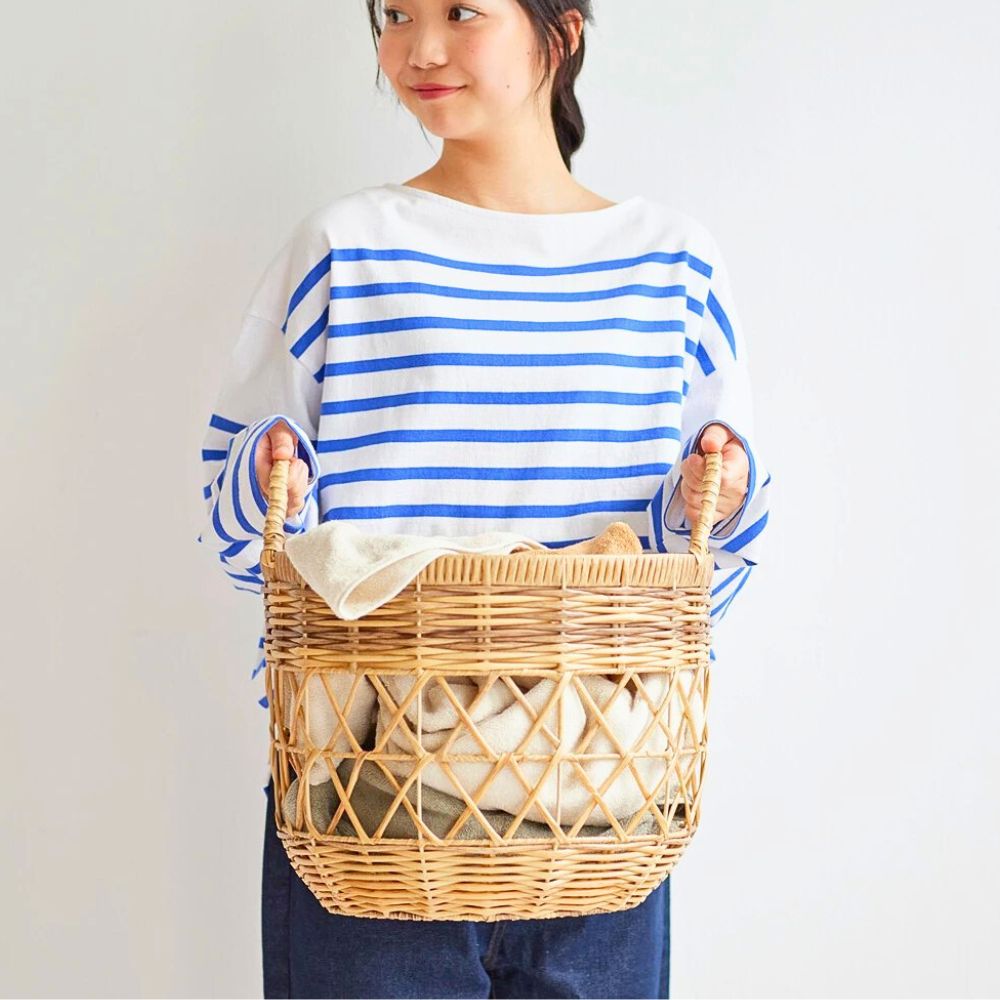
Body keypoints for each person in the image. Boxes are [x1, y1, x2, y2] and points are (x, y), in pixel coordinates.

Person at [195, 1, 772, 996]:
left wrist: (711, 491)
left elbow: (710, 560)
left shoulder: (671, 262)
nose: (419, 48)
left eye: (462, 11)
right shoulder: (346, 245)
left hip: (597, 792)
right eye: (396, 14)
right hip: (370, 795)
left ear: (564, 30)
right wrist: (267, 470)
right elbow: (242, 523)